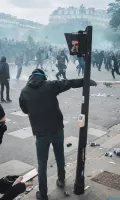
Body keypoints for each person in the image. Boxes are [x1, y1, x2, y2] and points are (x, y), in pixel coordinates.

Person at [19, 69, 97, 200]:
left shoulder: (24, 91)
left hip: (40, 133)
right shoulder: (49, 86)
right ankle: (61, 180)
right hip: (56, 129)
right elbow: (69, 83)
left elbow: (25, 110)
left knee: (42, 164)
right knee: (60, 156)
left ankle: (43, 194)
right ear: (43, 77)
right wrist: (85, 81)